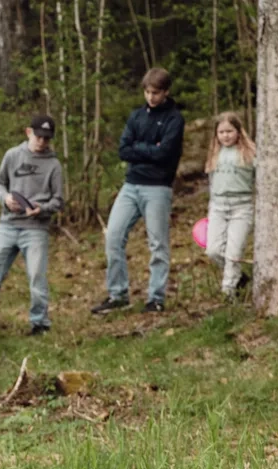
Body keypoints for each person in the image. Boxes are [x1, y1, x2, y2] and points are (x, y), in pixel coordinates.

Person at [92, 67, 185, 315]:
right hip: (131, 184)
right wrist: (149, 149)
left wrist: (141, 150)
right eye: (147, 92)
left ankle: (156, 297)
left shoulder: (174, 119)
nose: (151, 97)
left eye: (156, 93)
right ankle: (118, 294)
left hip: (158, 188)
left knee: (157, 243)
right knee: (113, 236)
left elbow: (165, 153)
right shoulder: (136, 117)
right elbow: (124, 150)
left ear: (166, 92)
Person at [0, 114, 64, 338]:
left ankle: (40, 324)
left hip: (35, 229)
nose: (42, 142)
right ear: (28, 132)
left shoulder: (54, 165)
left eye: (47, 139)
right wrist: (5, 199)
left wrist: (42, 209)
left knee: (36, 277)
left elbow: (58, 201)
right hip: (7, 225)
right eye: (39, 137)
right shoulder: (12, 156)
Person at [203, 112, 256, 300]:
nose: (225, 135)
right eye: (221, 132)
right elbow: (211, 182)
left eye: (230, 131)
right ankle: (240, 278)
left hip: (241, 207)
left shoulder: (250, 153)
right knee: (213, 250)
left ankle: (228, 292)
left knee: (233, 253)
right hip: (218, 207)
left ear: (238, 131)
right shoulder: (214, 154)